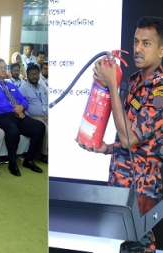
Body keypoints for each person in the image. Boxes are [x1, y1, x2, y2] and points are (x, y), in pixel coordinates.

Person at [78, 16, 163, 253]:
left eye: (146, 43)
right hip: (122, 184)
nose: (137, 48)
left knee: (140, 245)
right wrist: (106, 148)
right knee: (129, 245)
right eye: (136, 42)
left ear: (161, 50)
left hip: (142, 190)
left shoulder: (160, 90)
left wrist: (113, 87)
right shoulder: (136, 81)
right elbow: (127, 141)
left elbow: (130, 137)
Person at [0, 58, 45, 177]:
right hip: (1, 116)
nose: (3, 70)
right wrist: (14, 108)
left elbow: (23, 99)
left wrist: (22, 107)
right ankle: (12, 163)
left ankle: (29, 159)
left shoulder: (10, 85)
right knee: (13, 132)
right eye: (0, 68)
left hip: (17, 114)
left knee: (39, 127)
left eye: (5, 67)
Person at [19, 64, 48, 163]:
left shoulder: (42, 88)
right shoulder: (23, 89)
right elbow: (21, 106)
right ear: (27, 75)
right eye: (32, 74)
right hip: (34, 117)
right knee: (46, 129)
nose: (34, 76)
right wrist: (28, 119)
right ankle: (44, 154)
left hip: (47, 115)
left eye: (36, 74)